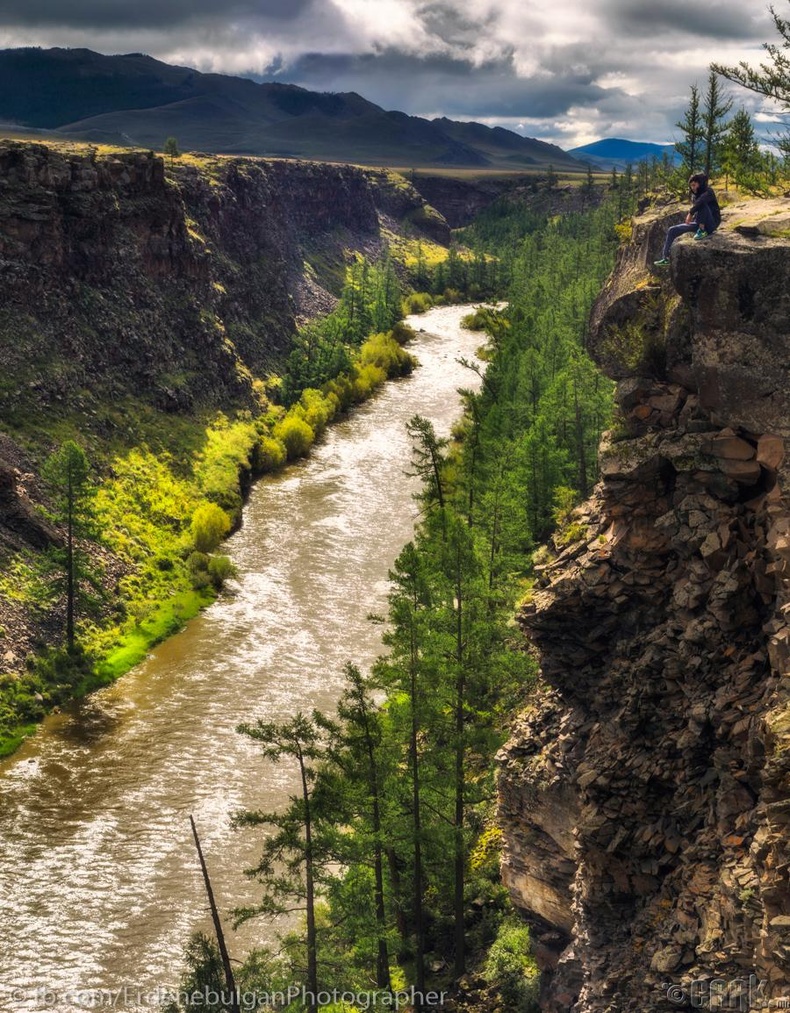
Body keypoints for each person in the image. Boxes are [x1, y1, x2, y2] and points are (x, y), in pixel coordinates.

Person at [654, 172, 721, 266]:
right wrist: (693, 217)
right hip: (698, 223)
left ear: (700, 183)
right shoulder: (695, 195)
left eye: (694, 185)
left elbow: (701, 202)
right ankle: (666, 258)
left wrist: (690, 213)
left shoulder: (708, 192)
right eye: (691, 186)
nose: (692, 188)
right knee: (672, 230)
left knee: (702, 203)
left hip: (711, 224)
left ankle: (702, 231)